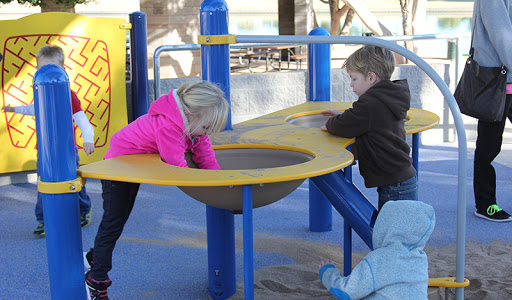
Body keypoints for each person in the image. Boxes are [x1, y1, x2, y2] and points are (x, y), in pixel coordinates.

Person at [83, 80, 229, 300]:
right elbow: (177, 168)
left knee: (119, 219)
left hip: (134, 164)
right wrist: (205, 186)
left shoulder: (193, 128)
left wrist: (220, 180)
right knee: (113, 222)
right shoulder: (169, 127)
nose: (205, 134)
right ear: (190, 115)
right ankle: (97, 278)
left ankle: (94, 257)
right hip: (116, 167)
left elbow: (205, 154)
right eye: (206, 127)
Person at [2, 45, 95, 236]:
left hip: (67, 150)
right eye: (42, 68)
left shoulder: (69, 94)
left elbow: (81, 119)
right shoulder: (41, 91)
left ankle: (82, 211)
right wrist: (14, 109)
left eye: (51, 68)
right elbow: (33, 108)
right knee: (43, 182)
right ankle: (44, 219)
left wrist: (88, 139)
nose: (47, 73)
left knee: (73, 181)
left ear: (62, 70)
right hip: (45, 150)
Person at [320, 45, 417, 210]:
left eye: (354, 79)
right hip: (400, 177)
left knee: (392, 232)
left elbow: (345, 125)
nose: (351, 84)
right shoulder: (387, 97)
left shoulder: (371, 103)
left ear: (371, 77)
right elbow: (364, 117)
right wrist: (343, 113)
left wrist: (329, 124)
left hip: (394, 182)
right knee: (398, 228)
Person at [318, 200, 435, 299]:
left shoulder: (380, 258)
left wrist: (327, 273)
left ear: (385, 228)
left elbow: (346, 292)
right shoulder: (420, 259)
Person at [471, 0, 512, 222]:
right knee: (488, 148)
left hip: (507, 80)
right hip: (497, 84)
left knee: (488, 146)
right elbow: (501, 36)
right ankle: (486, 204)